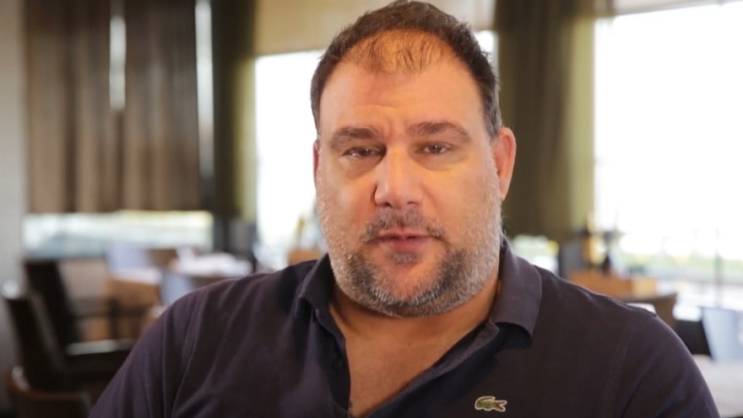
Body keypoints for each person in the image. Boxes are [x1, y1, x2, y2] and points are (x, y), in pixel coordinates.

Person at [90, 1, 718, 417]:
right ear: (319, 170)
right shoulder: (194, 338)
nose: (395, 188)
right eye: (360, 150)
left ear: (499, 165)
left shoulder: (631, 370)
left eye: (435, 147)